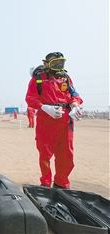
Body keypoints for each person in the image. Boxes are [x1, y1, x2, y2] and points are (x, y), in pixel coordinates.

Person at [26, 52, 83, 189]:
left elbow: (74, 95)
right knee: (45, 154)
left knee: (66, 155)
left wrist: (75, 105)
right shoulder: (38, 79)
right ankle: (45, 183)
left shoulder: (66, 79)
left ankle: (61, 183)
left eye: (61, 62)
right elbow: (30, 98)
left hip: (66, 121)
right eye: (55, 63)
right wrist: (44, 107)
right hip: (47, 120)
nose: (58, 66)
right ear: (46, 64)